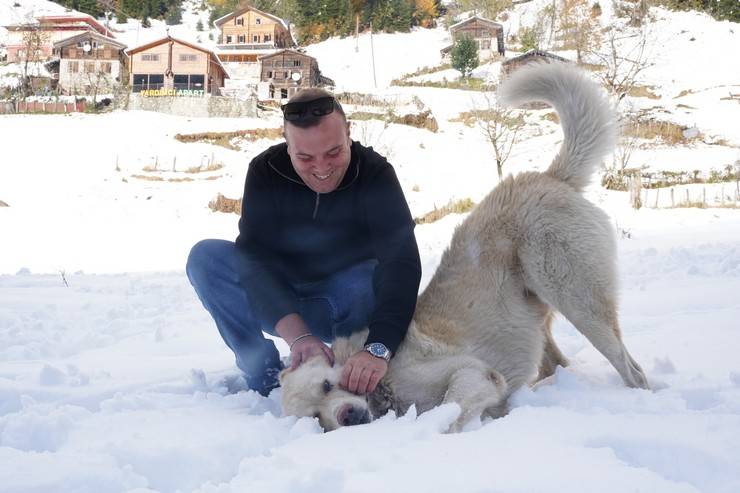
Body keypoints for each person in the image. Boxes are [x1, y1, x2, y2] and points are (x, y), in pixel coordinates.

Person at [186, 88, 421, 397]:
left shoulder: (375, 174)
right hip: (278, 301)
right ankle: (263, 371)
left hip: (345, 304)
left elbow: (401, 262)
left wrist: (379, 347)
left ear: (349, 132)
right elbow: (252, 258)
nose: (322, 169)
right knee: (206, 257)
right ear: (288, 145)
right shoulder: (265, 171)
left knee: (365, 276)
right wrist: (298, 337)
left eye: (334, 152)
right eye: (305, 157)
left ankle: (351, 367)